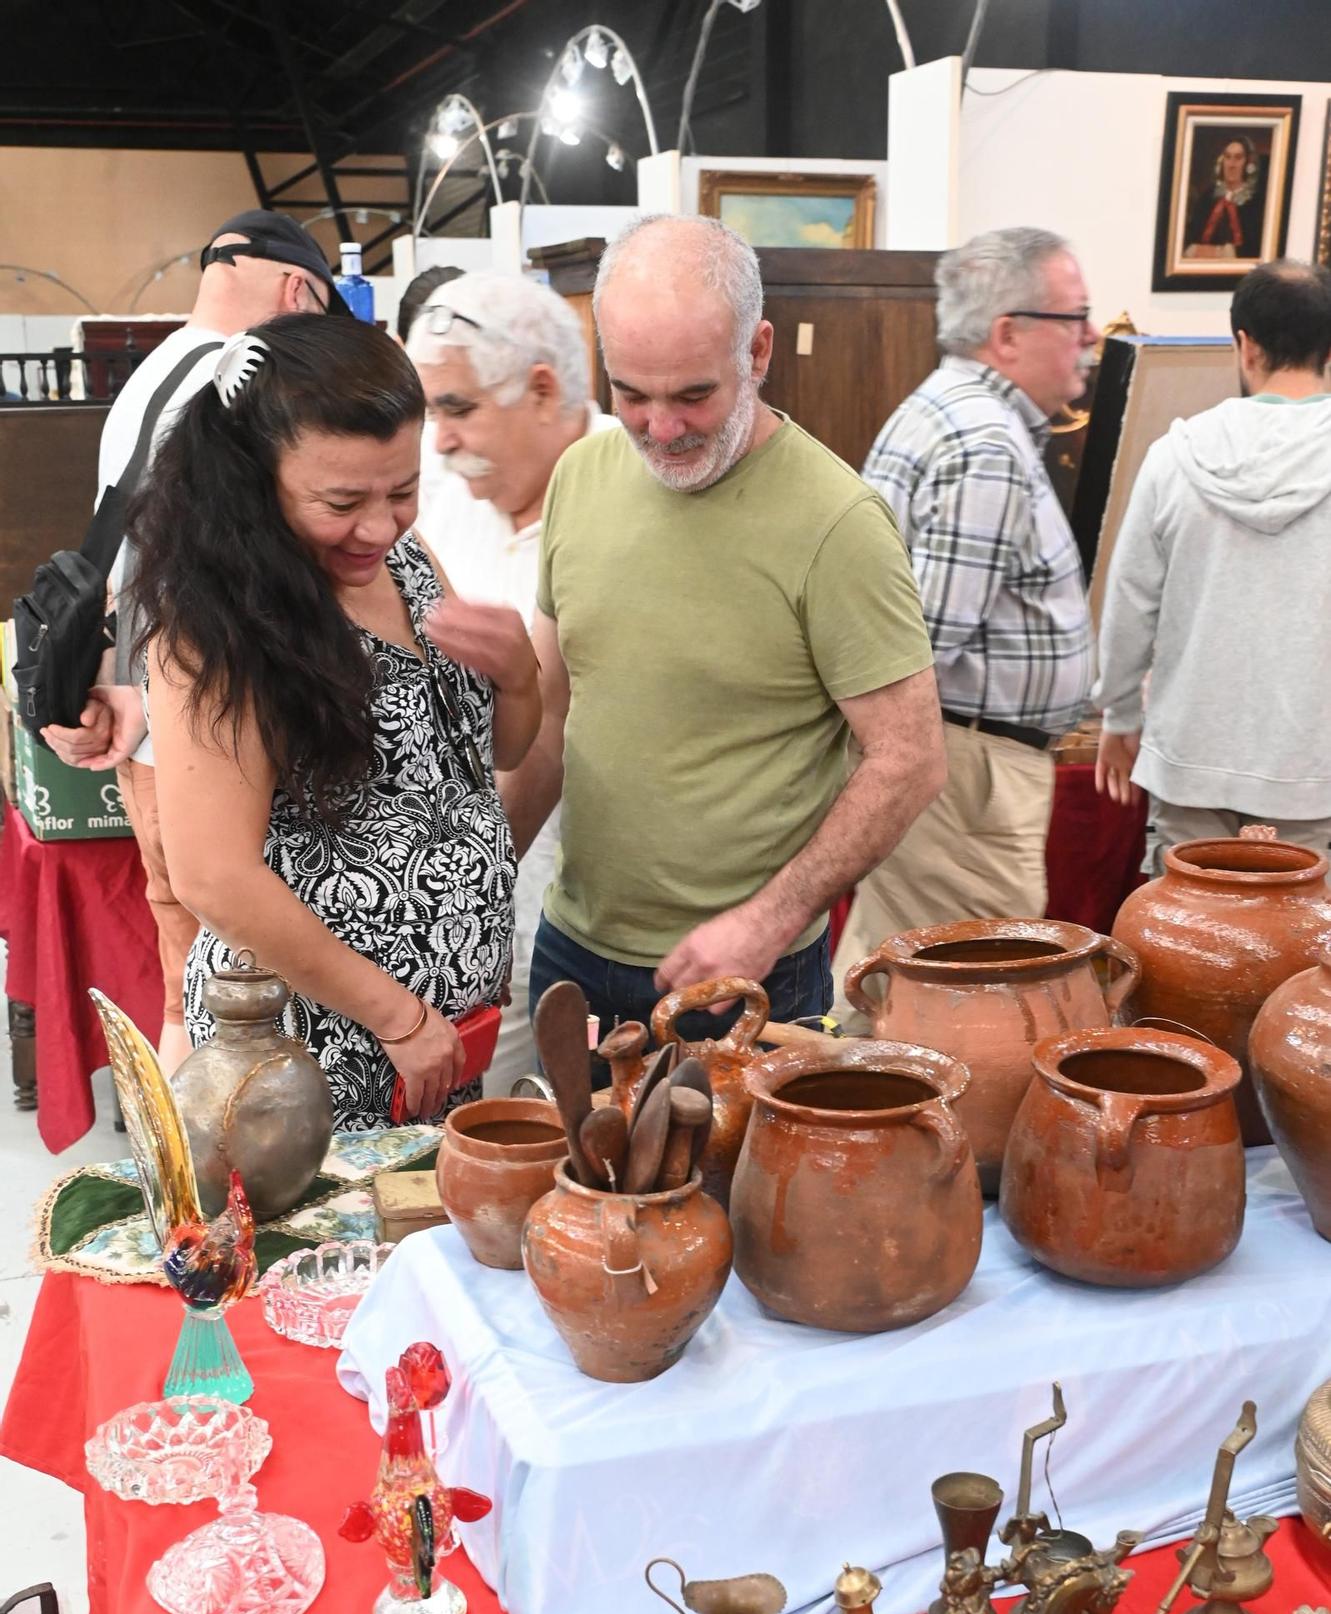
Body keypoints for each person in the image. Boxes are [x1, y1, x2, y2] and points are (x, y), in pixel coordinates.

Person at [512, 214, 940, 1042]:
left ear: (757, 353)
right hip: (573, 953)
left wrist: (769, 919)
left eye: (693, 395)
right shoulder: (579, 476)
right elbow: (551, 711)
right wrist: (488, 882)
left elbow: (910, 758)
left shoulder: (837, 523)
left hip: (749, 974)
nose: (660, 429)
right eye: (631, 393)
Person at [129, 314, 540, 1128]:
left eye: (403, 490)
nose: (380, 527)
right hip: (314, 1050)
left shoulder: (406, 560)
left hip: (433, 1043)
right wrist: (398, 1015)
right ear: (255, 479)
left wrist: (520, 674)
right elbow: (212, 874)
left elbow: (496, 750)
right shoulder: (218, 630)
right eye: (341, 501)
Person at [42, 210, 343, 1071]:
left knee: (186, 957)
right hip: (210, 722)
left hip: (152, 712)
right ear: (296, 292)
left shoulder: (147, 377)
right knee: (235, 982)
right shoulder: (233, 377)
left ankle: (178, 1167)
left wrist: (121, 679)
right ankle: (206, 1175)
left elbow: (121, 555)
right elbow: (217, 560)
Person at [832, 226, 1098, 1002]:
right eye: (1073, 317)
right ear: (1006, 333)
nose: (1088, 338)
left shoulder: (945, 411)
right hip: (967, 774)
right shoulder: (983, 441)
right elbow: (924, 641)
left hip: (955, 766)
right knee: (975, 997)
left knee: (889, 981)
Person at [407, 270, 618, 1088]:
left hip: (580, 898)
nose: (442, 438)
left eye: (458, 409)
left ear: (541, 390)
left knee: (545, 1122)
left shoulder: (630, 497)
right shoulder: (439, 495)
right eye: (432, 411)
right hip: (454, 889)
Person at [1094, 259, 1331, 868]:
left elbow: (1129, 601)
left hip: (1190, 751)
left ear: (1243, 345)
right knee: (1301, 947)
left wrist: (1119, 713)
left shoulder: (1175, 456)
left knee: (1188, 939)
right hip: (1312, 764)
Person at [1185, 136, 1264, 260]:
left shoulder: (1257, 202)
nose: (1231, 164)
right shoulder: (1207, 198)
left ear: (1248, 163)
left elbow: (1256, 249)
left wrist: (1220, 253)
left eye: (1238, 158)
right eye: (1228, 157)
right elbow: (1189, 240)